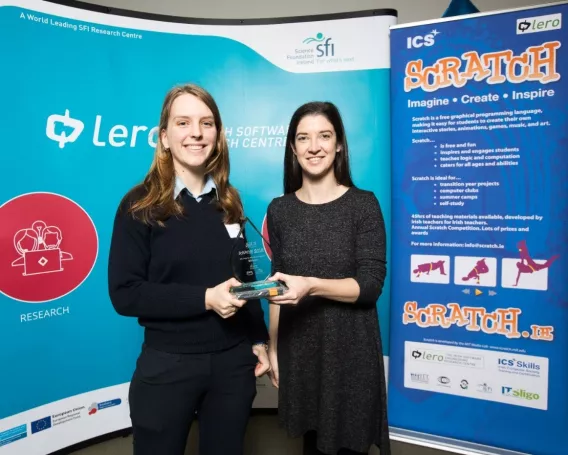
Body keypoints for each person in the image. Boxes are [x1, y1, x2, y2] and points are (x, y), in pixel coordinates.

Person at [107, 83, 270, 455]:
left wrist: (258, 337)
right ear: (164, 137)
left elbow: (244, 277)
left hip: (232, 363)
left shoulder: (229, 200)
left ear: (217, 134)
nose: (196, 133)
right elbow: (125, 292)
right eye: (183, 123)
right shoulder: (139, 205)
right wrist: (205, 299)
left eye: (206, 123)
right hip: (168, 365)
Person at [265, 101, 391, 455]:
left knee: (348, 446)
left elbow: (370, 286)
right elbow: (280, 285)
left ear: (338, 144)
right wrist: (274, 347)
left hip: (351, 351)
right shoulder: (280, 209)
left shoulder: (363, 205)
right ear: (293, 147)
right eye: (303, 138)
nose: (314, 146)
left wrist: (312, 285)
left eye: (324, 136)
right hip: (301, 348)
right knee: (312, 445)